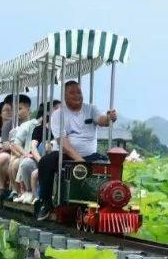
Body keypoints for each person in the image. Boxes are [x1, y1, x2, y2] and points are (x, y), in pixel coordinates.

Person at [35, 80, 117, 218]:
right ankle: (45, 202)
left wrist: (109, 117)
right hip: (64, 154)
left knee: (107, 167)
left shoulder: (91, 109)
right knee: (45, 162)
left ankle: (107, 202)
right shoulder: (58, 115)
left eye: (78, 92)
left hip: (89, 154)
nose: (76, 95)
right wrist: (79, 159)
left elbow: (102, 120)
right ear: (64, 96)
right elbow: (62, 141)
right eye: (72, 93)